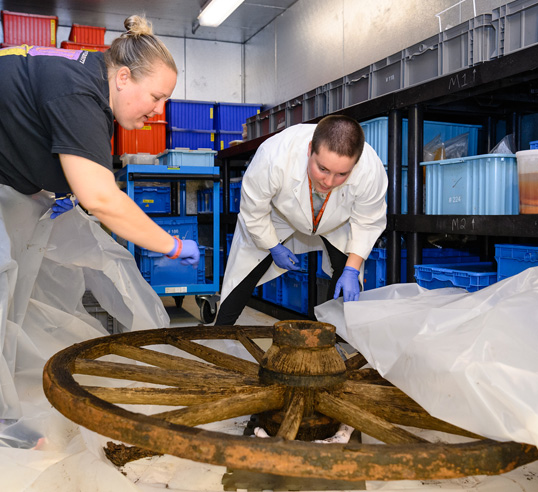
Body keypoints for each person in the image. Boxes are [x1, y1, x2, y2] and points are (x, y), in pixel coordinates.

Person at [0, 15, 199, 419]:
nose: (159, 111)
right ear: (123, 77)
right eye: (156, 97)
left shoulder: (87, 91)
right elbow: (102, 199)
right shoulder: (77, 90)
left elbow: (36, 141)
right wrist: (172, 244)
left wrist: (57, 192)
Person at [216, 115, 388, 326]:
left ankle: (337, 341)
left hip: (336, 222)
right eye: (322, 169)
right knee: (246, 271)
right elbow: (253, 211)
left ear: (356, 164)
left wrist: (352, 269)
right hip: (279, 216)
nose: (329, 181)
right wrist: (273, 246)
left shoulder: (370, 170)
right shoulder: (274, 156)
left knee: (347, 274)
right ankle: (220, 333)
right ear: (309, 150)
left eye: (342, 174)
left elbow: (367, 222)